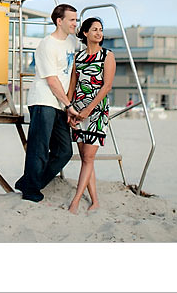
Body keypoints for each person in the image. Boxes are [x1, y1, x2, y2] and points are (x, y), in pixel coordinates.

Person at [14, 3, 80, 202]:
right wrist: (68, 105)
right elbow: (52, 80)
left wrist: (67, 104)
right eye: (72, 20)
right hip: (43, 100)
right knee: (39, 147)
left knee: (64, 151)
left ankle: (29, 182)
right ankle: (31, 191)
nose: (75, 24)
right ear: (59, 21)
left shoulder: (71, 43)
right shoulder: (47, 44)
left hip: (60, 103)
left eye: (76, 20)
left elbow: (71, 74)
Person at [66, 17, 115, 213]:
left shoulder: (107, 55)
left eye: (101, 30)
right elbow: (73, 85)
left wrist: (89, 110)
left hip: (97, 111)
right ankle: (94, 201)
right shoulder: (78, 57)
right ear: (85, 33)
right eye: (94, 29)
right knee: (86, 157)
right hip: (77, 110)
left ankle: (76, 201)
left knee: (88, 157)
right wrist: (69, 109)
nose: (99, 33)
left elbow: (107, 86)